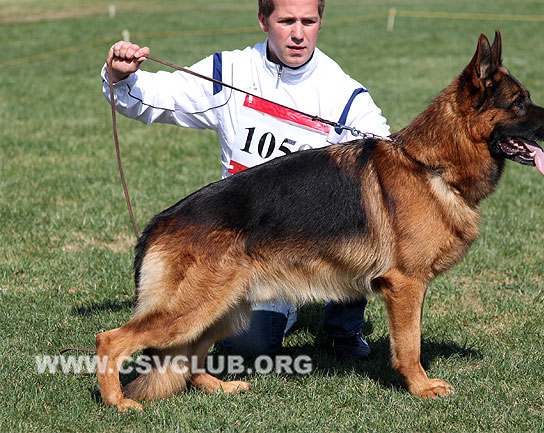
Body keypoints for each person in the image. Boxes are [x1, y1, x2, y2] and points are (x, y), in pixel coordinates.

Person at [102, 0, 390, 360]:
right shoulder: (229, 72)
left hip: (316, 245)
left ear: (321, 21)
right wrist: (122, 77)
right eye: (286, 21)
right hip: (246, 241)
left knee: (361, 208)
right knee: (247, 348)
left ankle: (343, 329)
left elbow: (386, 165)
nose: (298, 34)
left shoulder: (344, 95)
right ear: (263, 20)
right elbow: (157, 97)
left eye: (308, 21)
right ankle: (282, 310)